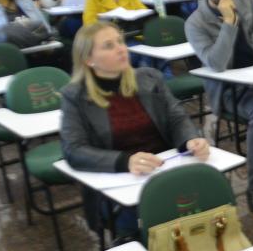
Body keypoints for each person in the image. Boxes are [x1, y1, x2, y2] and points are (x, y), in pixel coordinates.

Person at [60, 22, 209, 238]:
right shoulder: (74, 96)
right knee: (148, 225)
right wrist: (125, 161)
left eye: (120, 41)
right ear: (89, 60)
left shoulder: (149, 77)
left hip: (163, 169)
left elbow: (176, 116)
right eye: (109, 46)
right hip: (120, 184)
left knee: (208, 197)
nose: (122, 48)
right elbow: (73, 150)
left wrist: (190, 140)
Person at [185, 0, 253, 216]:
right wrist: (228, 22)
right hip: (228, 90)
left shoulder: (247, 1)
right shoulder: (195, 23)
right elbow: (217, 63)